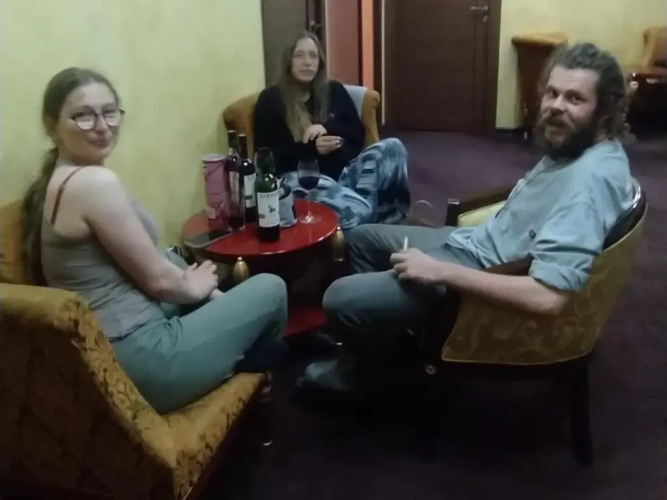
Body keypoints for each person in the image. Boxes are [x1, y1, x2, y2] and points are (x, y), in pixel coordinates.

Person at [299, 43, 637, 392]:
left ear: (605, 110)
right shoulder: (578, 146)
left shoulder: (590, 183)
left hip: (481, 273)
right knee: (362, 238)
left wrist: (440, 271)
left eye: (574, 98)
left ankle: (360, 379)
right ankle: (378, 347)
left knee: (338, 298)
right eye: (552, 93)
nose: (555, 106)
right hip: (477, 243)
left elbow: (548, 297)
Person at [21, 67, 288, 414]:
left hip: (125, 336)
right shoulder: (93, 184)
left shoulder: (68, 176)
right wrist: (196, 288)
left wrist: (209, 293)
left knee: (176, 260)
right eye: (83, 116)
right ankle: (250, 378)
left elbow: (154, 264)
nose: (102, 126)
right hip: (142, 358)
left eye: (109, 112)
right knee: (271, 287)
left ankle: (235, 355)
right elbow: (159, 282)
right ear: (51, 126)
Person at [253, 31, 411, 231]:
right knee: (360, 209)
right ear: (288, 61)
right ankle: (366, 223)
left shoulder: (334, 90)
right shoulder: (270, 100)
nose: (307, 62)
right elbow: (267, 157)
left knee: (393, 148)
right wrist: (311, 147)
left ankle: (387, 226)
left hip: (344, 174)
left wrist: (327, 128)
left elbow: (357, 134)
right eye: (299, 55)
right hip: (300, 180)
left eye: (313, 56)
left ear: (320, 62)